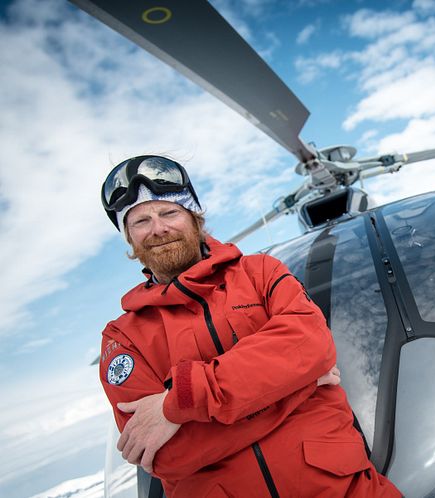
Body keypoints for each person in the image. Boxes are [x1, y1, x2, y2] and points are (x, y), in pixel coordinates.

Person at [98, 155, 401, 498]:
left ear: (194, 218)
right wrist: (298, 386)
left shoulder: (261, 273)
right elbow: (167, 455)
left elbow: (311, 346)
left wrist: (177, 403)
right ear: (129, 238)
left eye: (169, 213)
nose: (158, 229)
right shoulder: (123, 338)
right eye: (139, 221)